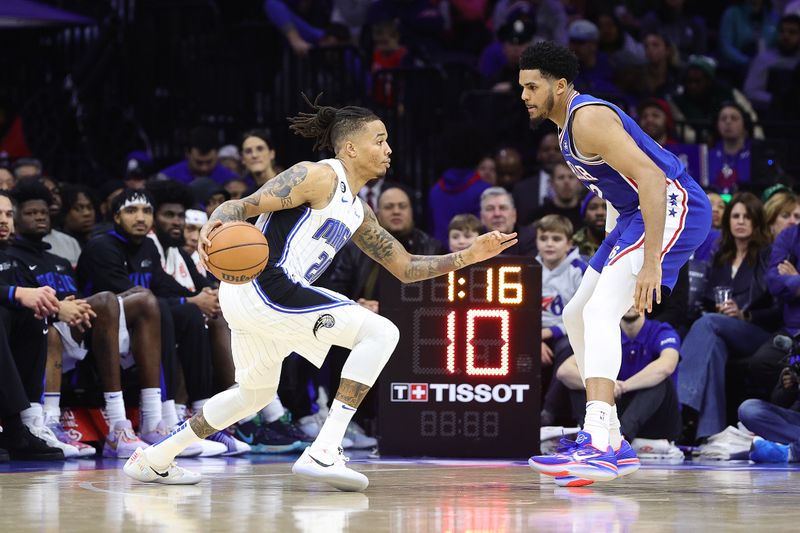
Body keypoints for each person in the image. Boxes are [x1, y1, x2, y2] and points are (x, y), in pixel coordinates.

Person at [123, 96, 517, 488]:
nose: (388, 149)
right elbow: (241, 205)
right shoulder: (318, 176)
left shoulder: (358, 211)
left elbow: (406, 267)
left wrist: (469, 255)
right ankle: (325, 450)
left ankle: (155, 458)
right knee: (381, 332)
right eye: (379, 140)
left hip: (252, 298)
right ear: (350, 148)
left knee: (254, 394)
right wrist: (215, 222)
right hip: (266, 283)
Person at [520, 41, 711, 482]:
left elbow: (651, 177)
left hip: (673, 205)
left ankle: (599, 439)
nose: (525, 96)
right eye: (522, 87)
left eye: (532, 86)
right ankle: (614, 439)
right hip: (630, 217)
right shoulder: (567, 128)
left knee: (602, 311)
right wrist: (610, 252)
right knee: (575, 313)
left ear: (561, 85)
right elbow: (617, 188)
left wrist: (649, 264)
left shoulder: (587, 118)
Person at [556, 305, 682, 483]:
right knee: (582, 379)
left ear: (646, 303)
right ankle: (593, 439)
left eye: (634, 299)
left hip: (655, 420)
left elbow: (667, 365)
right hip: (616, 413)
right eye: (626, 299)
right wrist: (608, 387)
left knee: (660, 381)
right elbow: (564, 371)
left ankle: (617, 443)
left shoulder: (661, 330)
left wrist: (623, 386)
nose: (630, 305)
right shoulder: (607, 334)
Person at [158, 127, 237, 186]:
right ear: (187, 154)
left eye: (209, 162)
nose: (204, 168)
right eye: (199, 162)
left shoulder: (232, 181)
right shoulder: (166, 179)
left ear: (217, 154)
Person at [479, 187, 537, 256]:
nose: (497, 214)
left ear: (514, 215)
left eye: (503, 208)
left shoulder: (531, 239)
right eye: (490, 209)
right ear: (482, 217)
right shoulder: (472, 240)